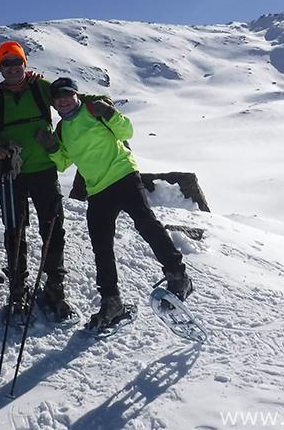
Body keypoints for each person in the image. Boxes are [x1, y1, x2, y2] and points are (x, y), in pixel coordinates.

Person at [37, 77, 193, 331]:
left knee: (146, 223)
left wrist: (109, 113)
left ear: (76, 95)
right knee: (101, 246)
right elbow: (64, 163)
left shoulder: (93, 110)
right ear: (54, 103)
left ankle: (178, 275)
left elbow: (127, 132)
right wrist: (53, 147)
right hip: (97, 189)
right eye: (58, 97)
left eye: (67, 94)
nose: (63, 100)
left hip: (123, 175)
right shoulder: (62, 130)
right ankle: (112, 301)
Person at [0, 41, 73, 321]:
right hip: (10, 172)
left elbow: (70, 97)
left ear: (25, 63)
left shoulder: (42, 87)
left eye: (17, 62)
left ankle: (55, 283)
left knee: (52, 227)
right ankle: (18, 285)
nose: (13, 68)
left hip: (44, 169)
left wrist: (97, 103)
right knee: (15, 229)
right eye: (7, 64)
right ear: (0, 68)